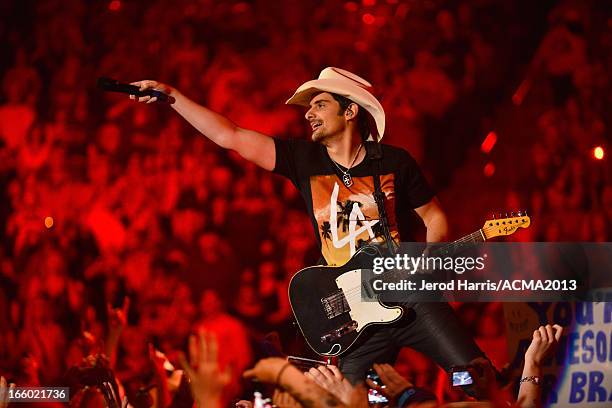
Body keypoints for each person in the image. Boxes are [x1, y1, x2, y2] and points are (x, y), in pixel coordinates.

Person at [130, 67, 488, 386]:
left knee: (474, 377)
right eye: (309, 108)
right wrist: (171, 96)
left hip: (412, 298)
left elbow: (434, 217)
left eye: (319, 105)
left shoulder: (395, 162)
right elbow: (231, 136)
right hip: (357, 315)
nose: (309, 115)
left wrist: (430, 253)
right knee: (340, 401)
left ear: (350, 111)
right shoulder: (303, 160)